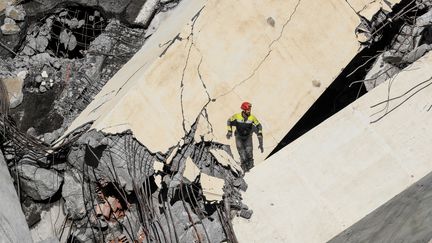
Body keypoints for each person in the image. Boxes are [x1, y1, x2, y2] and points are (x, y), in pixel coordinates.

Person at [226, 101, 263, 172]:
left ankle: (252, 170)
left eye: (250, 110)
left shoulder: (252, 118)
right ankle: (245, 170)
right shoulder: (237, 116)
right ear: (244, 110)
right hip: (239, 137)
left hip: (248, 137)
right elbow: (229, 121)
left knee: (249, 153)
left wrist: (260, 133)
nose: (249, 111)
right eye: (248, 110)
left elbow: (259, 125)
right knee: (242, 154)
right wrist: (229, 131)